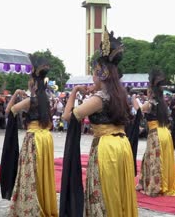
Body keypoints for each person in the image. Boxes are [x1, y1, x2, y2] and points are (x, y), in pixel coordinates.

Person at [60, 29, 138, 216]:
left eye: (94, 73)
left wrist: (74, 92)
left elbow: (68, 116)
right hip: (122, 146)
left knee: (103, 194)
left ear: (102, 74)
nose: (92, 78)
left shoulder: (99, 98)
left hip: (107, 148)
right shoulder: (119, 94)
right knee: (118, 192)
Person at [0, 54, 58, 216]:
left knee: (30, 174)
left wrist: (16, 93)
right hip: (45, 139)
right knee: (43, 174)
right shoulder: (46, 99)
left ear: (33, 83)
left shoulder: (30, 101)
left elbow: (9, 111)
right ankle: (43, 202)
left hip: (33, 139)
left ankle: (30, 208)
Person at [135, 69, 175, 197]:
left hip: (156, 134)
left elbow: (137, 111)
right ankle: (143, 182)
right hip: (165, 133)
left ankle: (155, 186)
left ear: (150, 91)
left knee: (154, 160)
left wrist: (134, 100)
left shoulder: (150, 103)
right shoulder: (162, 103)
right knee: (150, 158)